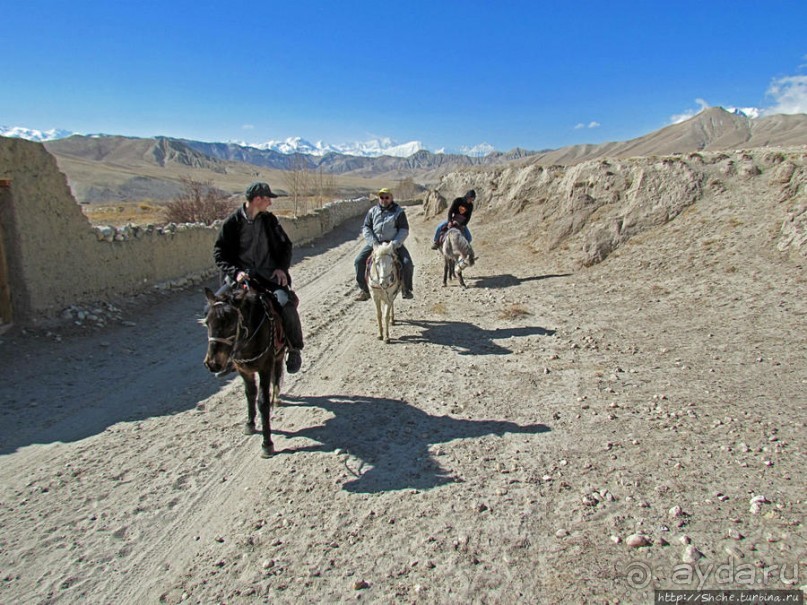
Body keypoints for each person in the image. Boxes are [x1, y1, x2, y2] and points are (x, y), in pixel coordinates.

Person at [213, 181, 304, 374]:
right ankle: (224, 356)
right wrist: (235, 272)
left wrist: (281, 268)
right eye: (267, 199)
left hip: (268, 276)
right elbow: (219, 254)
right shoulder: (232, 223)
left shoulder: (270, 221)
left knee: (285, 303)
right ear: (257, 199)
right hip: (241, 278)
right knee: (216, 310)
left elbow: (285, 245)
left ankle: (294, 348)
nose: (270, 203)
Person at [354, 187, 414, 300]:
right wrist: (373, 243)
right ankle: (364, 290)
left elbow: (404, 230)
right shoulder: (372, 211)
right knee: (358, 261)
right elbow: (366, 227)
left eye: (387, 197)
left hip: (392, 244)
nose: (384, 199)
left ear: (391, 198)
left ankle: (406, 289)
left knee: (407, 263)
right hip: (376, 244)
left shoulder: (399, 212)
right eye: (382, 197)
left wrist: (394, 244)